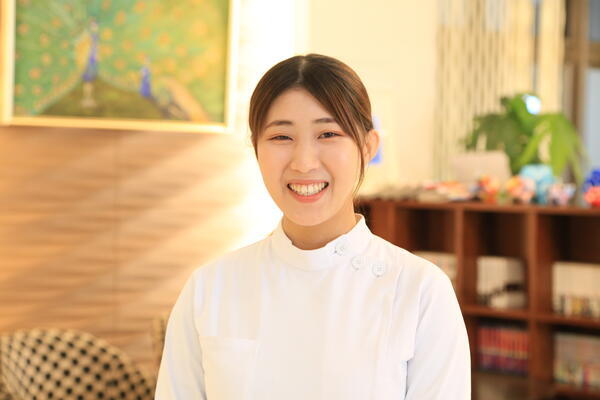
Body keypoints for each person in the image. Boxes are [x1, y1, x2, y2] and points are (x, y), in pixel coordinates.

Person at [155, 54, 470, 399]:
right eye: (281, 137)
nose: (304, 163)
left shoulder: (419, 292)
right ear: (256, 148)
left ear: (368, 148)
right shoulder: (209, 288)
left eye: (328, 134)